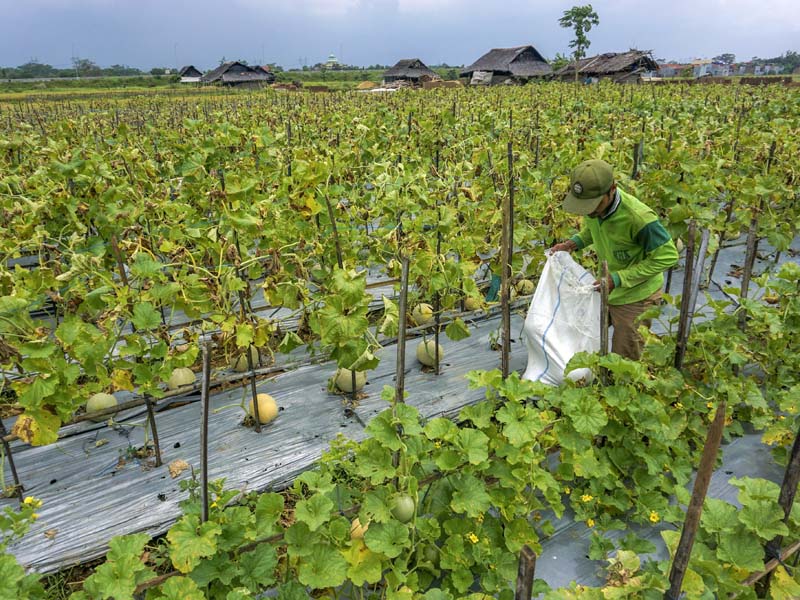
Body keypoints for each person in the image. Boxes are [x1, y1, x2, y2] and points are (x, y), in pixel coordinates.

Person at [550, 159, 678, 360]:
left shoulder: (639, 218)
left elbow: (668, 256)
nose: (590, 211)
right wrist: (572, 244)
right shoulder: (595, 209)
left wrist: (618, 279)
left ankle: (623, 387)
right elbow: (594, 230)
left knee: (624, 357)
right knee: (584, 336)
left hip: (636, 295)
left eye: (594, 205)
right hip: (608, 288)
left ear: (612, 190)